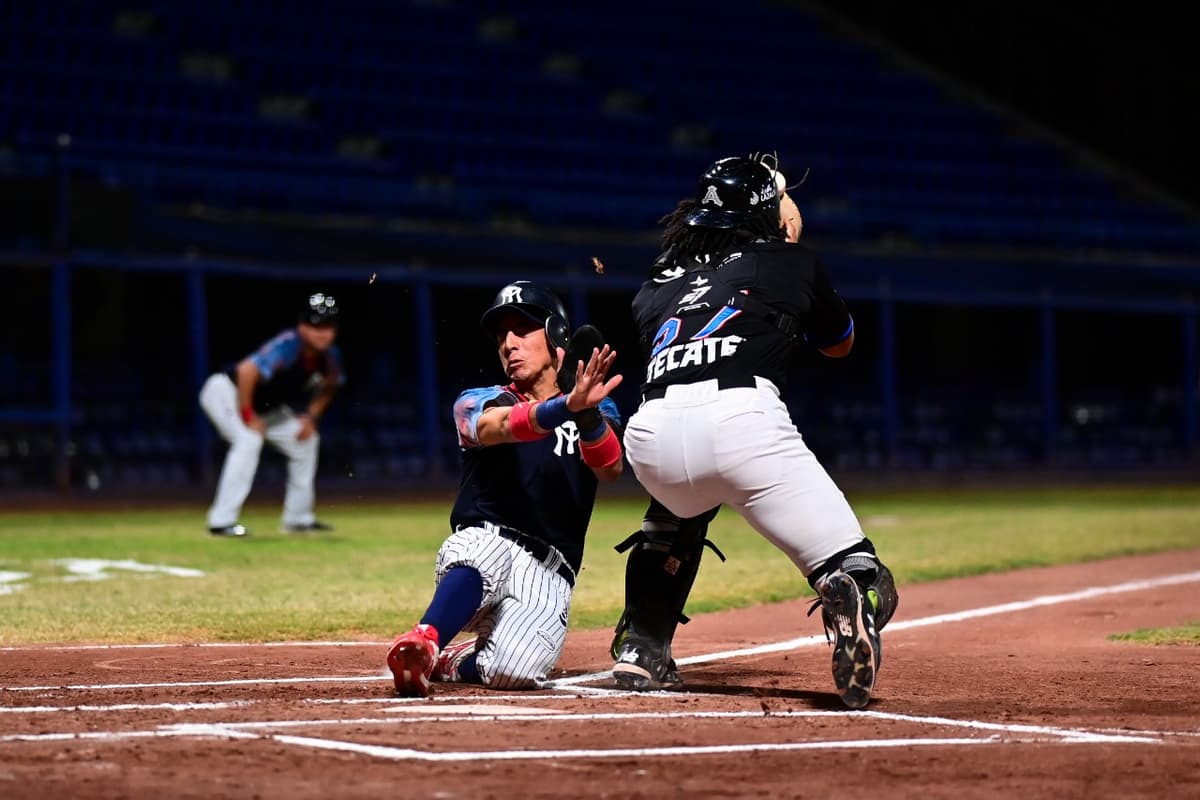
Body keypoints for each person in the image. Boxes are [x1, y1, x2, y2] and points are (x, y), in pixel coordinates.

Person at [611, 154, 899, 709]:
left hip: (650, 437)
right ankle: (847, 600)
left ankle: (642, 647)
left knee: (675, 519)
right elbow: (840, 342)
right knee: (864, 572)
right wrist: (791, 244)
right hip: (742, 421)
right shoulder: (790, 261)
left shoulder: (656, 282)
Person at [386, 281, 624, 696]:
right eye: (501, 335)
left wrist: (586, 416)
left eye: (522, 330)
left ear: (556, 338)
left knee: (514, 672)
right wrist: (566, 407)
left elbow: (610, 469)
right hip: (487, 544)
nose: (508, 343)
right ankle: (426, 639)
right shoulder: (479, 400)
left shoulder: (595, 406)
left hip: (551, 571)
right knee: (481, 552)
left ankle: (453, 659)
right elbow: (498, 426)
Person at [198, 292, 345, 537]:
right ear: (302, 326)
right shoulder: (289, 344)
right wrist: (247, 415)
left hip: (267, 410)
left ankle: (298, 519)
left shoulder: (330, 357)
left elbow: (331, 385)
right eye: (315, 325)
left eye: (328, 326)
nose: (322, 332)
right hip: (227, 393)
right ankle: (220, 522)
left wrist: (311, 417)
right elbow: (247, 372)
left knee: (306, 439)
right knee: (248, 440)